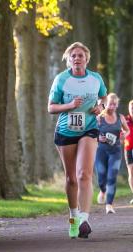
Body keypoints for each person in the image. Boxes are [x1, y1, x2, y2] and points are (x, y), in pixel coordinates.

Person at [48, 42, 107, 239]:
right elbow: (51, 107)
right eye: (73, 55)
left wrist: (100, 108)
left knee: (84, 174)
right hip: (66, 131)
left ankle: (84, 219)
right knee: (71, 178)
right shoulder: (61, 79)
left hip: (89, 129)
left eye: (80, 55)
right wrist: (70, 105)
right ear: (68, 59)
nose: (77, 58)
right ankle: (73, 217)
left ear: (86, 59)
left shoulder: (95, 78)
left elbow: (103, 99)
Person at [95, 93, 130, 214]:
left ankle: (109, 204)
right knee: (101, 177)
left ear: (117, 105)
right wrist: (99, 137)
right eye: (110, 104)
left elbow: (127, 130)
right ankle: (103, 190)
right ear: (106, 104)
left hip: (115, 151)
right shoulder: (99, 118)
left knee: (112, 177)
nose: (112, 106)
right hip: (101, 151)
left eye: (115, 104)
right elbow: (93, 132)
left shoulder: (120, 117)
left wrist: (124, 135)